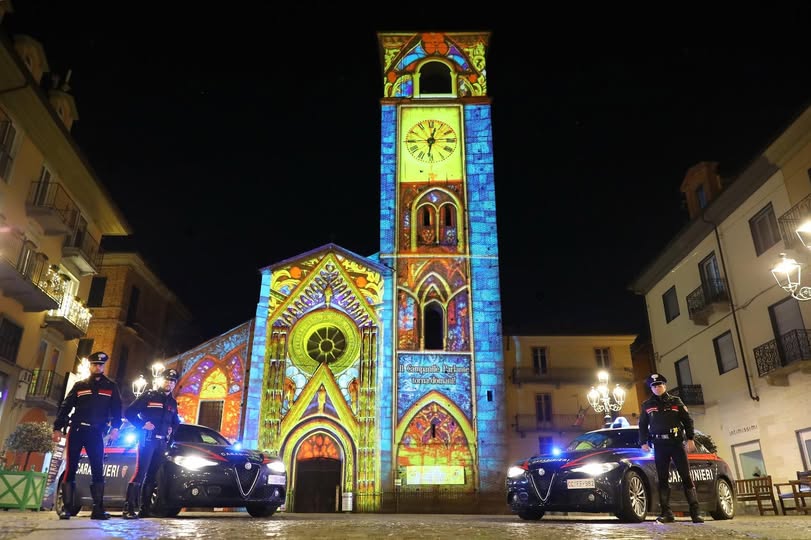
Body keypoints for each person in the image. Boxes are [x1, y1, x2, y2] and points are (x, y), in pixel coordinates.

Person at [52, 352, 123, 520]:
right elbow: (65, 406)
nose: (98, 367)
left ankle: (98, 509)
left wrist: (116, 428)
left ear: (104, 366)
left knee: (98, 468)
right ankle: (66, 508)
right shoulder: (79, 386)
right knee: (71, 467)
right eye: (95, 364)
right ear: (90, 366)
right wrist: (57, 427)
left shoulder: (111, 387)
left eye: (101, 365)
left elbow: (117, 410)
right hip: (77, 430)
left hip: (96, 432)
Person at [638, 373, 704, 524]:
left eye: (659, 385)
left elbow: (687, 421)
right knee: (662, 479)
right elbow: (642, 425)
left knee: (686, 476)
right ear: (651, 388)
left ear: (664, 386)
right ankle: (666, 513)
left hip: (676, 444)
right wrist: (643, 442)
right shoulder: (647, 405)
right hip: (659, 445)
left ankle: (695, 512)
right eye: (654, 386)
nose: (657, 388)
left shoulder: (675, 401)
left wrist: (690, 438)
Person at [122, 368, 180, 519]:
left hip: (161, 443)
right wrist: (142, 424)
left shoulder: (173, 403)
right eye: (167, 380)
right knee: (140, 473)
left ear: (175, 384)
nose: (169, 383)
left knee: (152, 476)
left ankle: (145, 509)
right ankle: (128, 508)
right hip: (147, 440)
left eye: (172, 381)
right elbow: (129, 412)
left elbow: (176, 422)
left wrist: (171, 430)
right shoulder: (149, 395)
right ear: (161, 381)